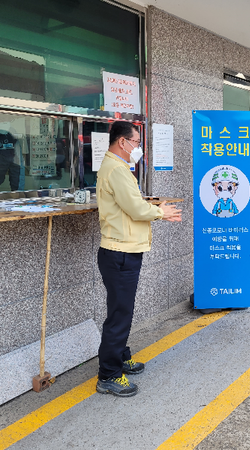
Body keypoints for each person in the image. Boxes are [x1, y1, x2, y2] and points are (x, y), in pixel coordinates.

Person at [95, 121, 182, 397]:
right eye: (135, 143)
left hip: (124, 250)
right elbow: (134, 207)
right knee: (120, 314)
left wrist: (154, 207)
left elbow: (131, 202)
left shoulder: (116, 168)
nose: (138, 149)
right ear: (122, 142)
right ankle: (108, 374)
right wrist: (161, 213)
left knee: (123, 310)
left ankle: (120, 356)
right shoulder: (117, 169)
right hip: (120, 252)